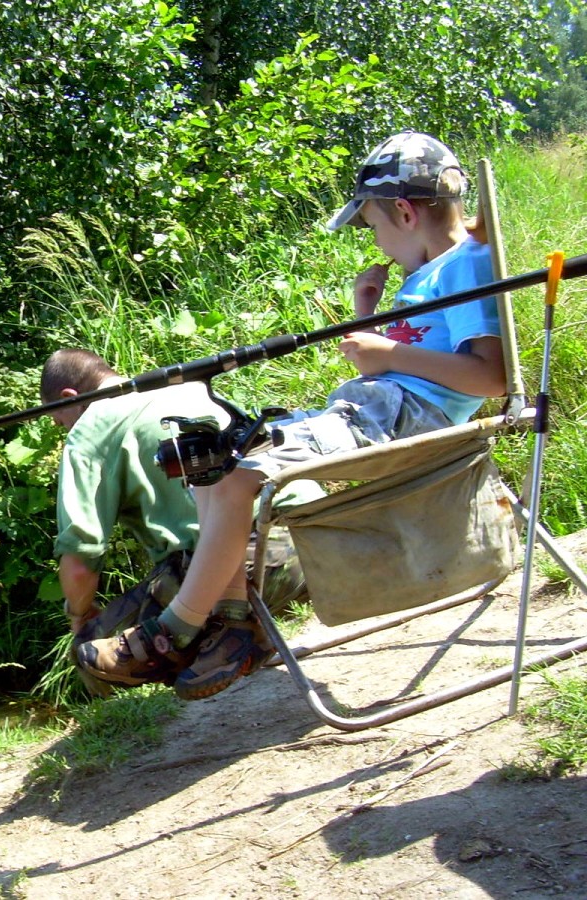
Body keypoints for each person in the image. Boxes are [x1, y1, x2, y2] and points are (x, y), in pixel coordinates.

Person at [77, 131, 507, 700]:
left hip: (399, 421)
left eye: (373, 225)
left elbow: (491, 377)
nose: (374, 239)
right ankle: (233, 625)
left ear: (403, 211)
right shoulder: (427, 274)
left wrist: (390, 353)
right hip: (378, 411)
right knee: (209, 458)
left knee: (239, 477)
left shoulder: (467, 266)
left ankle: (174, 630)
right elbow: (404, 362)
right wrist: (367, 316)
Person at [41, 348, 322, 694]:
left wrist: (78, 614)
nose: (64, 428)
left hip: (258, 564)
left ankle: (155, 726)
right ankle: (238, 639)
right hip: (318, 542)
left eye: (60, 420)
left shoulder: (89, 429)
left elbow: (80, 564)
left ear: (69, 397)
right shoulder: (186, 386)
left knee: (90, 645)